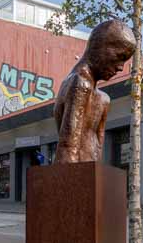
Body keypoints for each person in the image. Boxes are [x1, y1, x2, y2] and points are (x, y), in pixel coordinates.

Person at [54, 20, 136, 163]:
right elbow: (67, 147)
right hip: (79, 174)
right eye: (120, 57)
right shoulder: (80, 84)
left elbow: (97, 147)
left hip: (90, 173)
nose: (121, 68)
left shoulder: (102, 99)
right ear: (100, 47)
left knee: (103, 98)